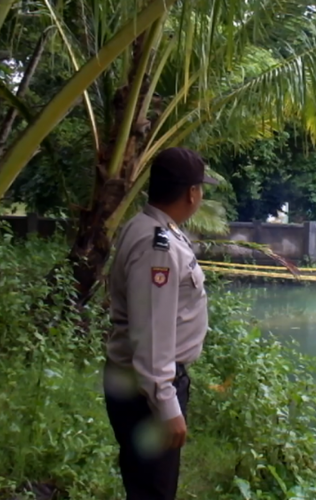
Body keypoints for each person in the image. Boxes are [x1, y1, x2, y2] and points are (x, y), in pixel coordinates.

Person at [103, 147, 218, 500]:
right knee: (154, 490)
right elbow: (151, 333)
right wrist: (166, 404)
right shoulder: (160, 247)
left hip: (139, 385)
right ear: (191, 193)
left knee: (145, 485)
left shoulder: (147, 227)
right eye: (201, 187)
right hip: (146, 392)